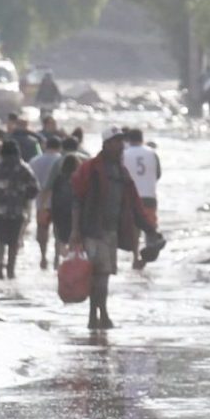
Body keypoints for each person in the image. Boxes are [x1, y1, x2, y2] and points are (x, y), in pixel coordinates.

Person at [70, 133, 150, 331]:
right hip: (91, 230)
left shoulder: (122, 172)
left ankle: (100, 315)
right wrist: (75, 230)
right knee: (96, 274)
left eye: (122, 142)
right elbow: (76, 199)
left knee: (103, 275)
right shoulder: (90, 169)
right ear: (106, 144)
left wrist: (151, 230)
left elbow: (135, 204)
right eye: (117, 143)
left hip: (111, 231)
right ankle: (96, 316)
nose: (121, 146)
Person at [0, 133, 39, 280]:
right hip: (17, 210)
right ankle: (11, 268)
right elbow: (34, 188)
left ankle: (0, 266)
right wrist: (25, 197)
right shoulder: (23, 167)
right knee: (14, 241)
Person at [122, 128, 164, 270]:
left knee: (134, 229)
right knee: (149, 227)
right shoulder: (152, 153)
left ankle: (135, 257)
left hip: (132, 197)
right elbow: (158, 174)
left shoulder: (124, 154)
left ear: (128, 139)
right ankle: (147, 256)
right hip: (149, 195)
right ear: (142, 138)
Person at [30, 134, 65, 270]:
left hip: (41, 202)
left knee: (42, 230)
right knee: (57, 232)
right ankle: (56, 258)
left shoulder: (34, 161)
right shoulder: (61, 160)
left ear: (46, 146)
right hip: (57, 202)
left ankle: (43, 257)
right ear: (59, 147)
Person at [50, 154, 81, 246]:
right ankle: (72, 255)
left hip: (60, 211)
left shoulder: (59, 178)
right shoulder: (78, 178)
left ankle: (57, 256)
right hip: (73, 210)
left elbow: (54, 196)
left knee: (59, 236)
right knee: (74, 236)